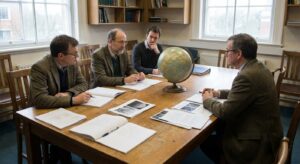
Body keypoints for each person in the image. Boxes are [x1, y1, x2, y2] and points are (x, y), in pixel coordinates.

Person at [201, 33, 283, 164]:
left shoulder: (246, 76)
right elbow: (244, 93)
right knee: (220, 126)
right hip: (267, 132)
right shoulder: (258, 67)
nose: (226, 54)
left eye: (227, 51)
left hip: (256, 144)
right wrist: (218, 93)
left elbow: (225, 112)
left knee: (204, 140)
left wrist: (207, 100)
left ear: (238, 54)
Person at [29, 34, 91, 163]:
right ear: (61, 56)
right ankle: (59, 152)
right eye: (74, 54)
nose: (77, 57)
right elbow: (39, 99)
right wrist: (73, 100)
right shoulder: (40, 68)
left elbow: (84, 84)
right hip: (45, 112)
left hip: (65, 109)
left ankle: (59, 152)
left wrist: (69, 94)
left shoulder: (72, 64)